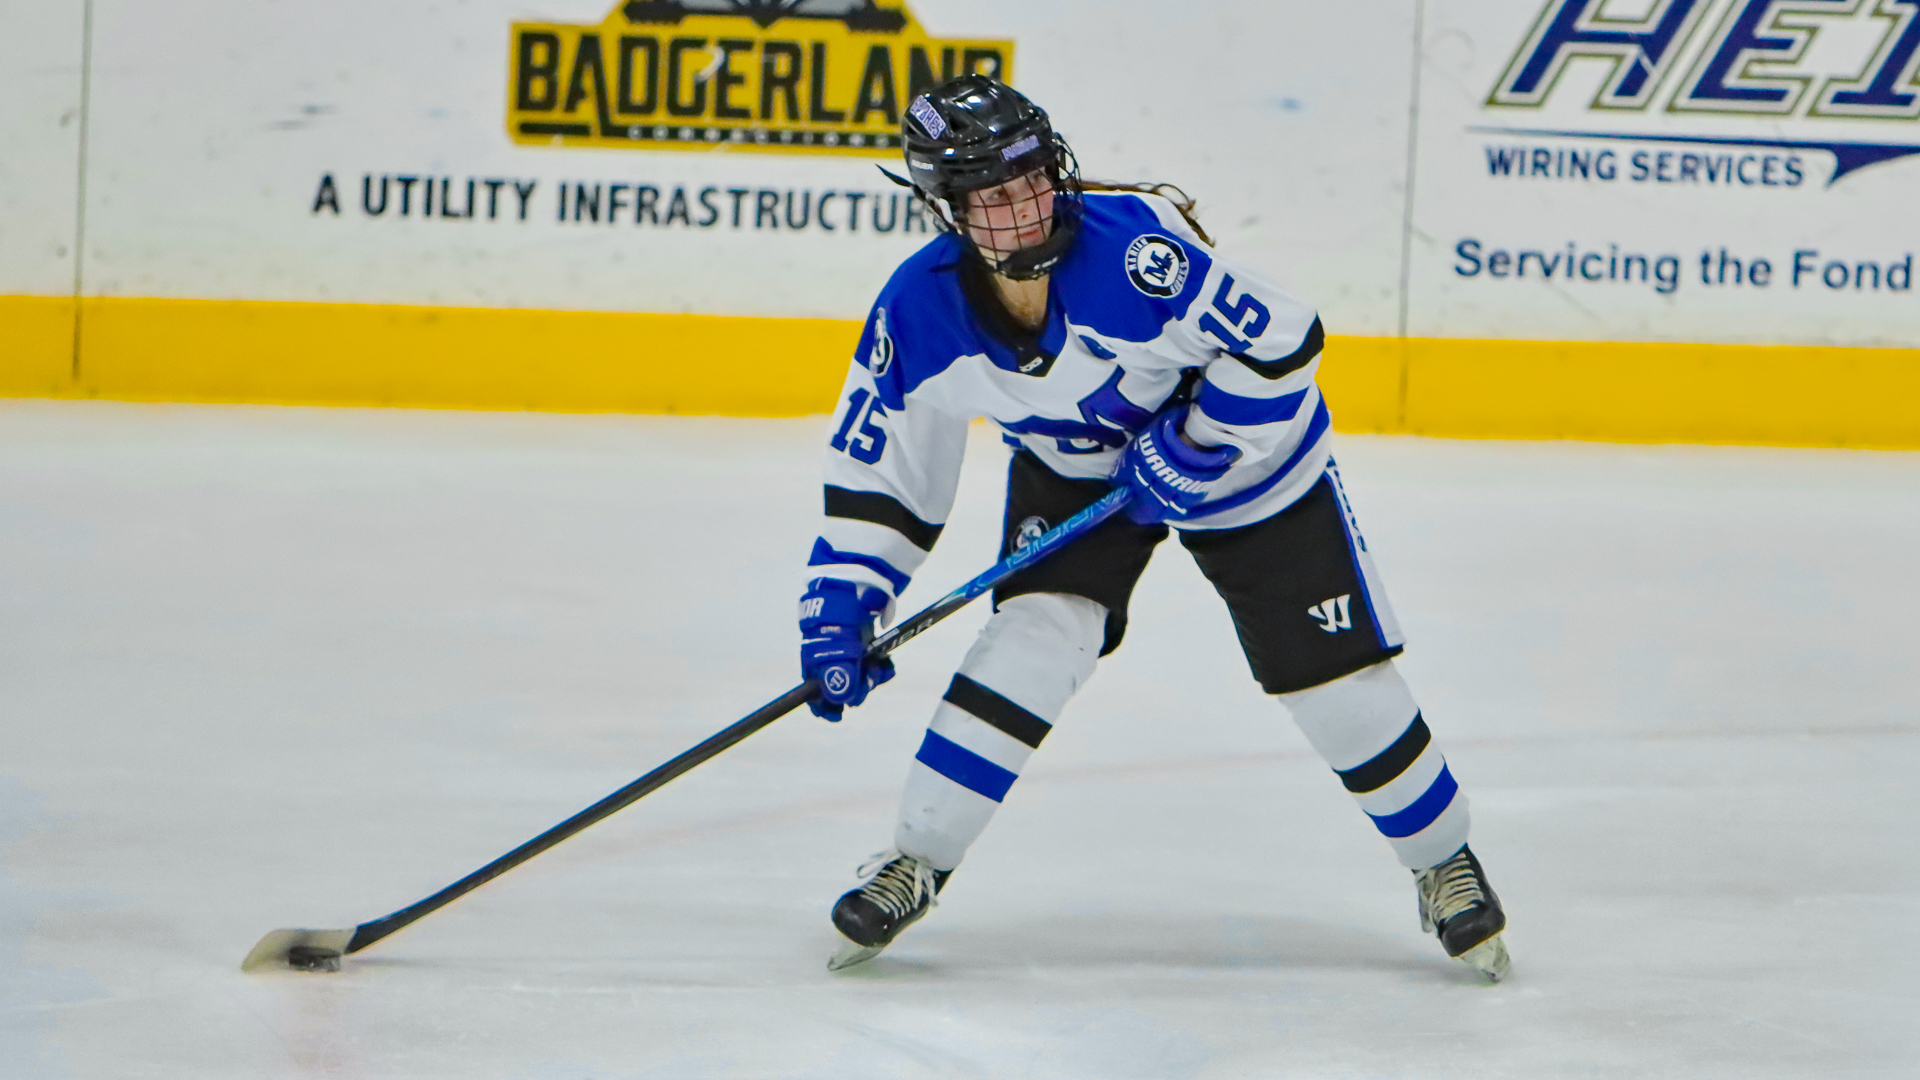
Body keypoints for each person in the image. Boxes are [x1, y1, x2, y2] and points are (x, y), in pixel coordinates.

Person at [796, 75, 1509, 981]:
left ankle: (1444, 860)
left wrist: (1201, 440)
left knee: (1328, 678)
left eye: (1032, 178)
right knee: (1032, 636)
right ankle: (916, 858)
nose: (1026, 205)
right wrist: (844, 598)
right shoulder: (919, 310)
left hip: (1249, 466)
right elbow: (882, 471)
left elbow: (1285, 340)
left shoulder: (1131, 256)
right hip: (1081, 471)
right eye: (995, 194)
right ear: (951, 212)